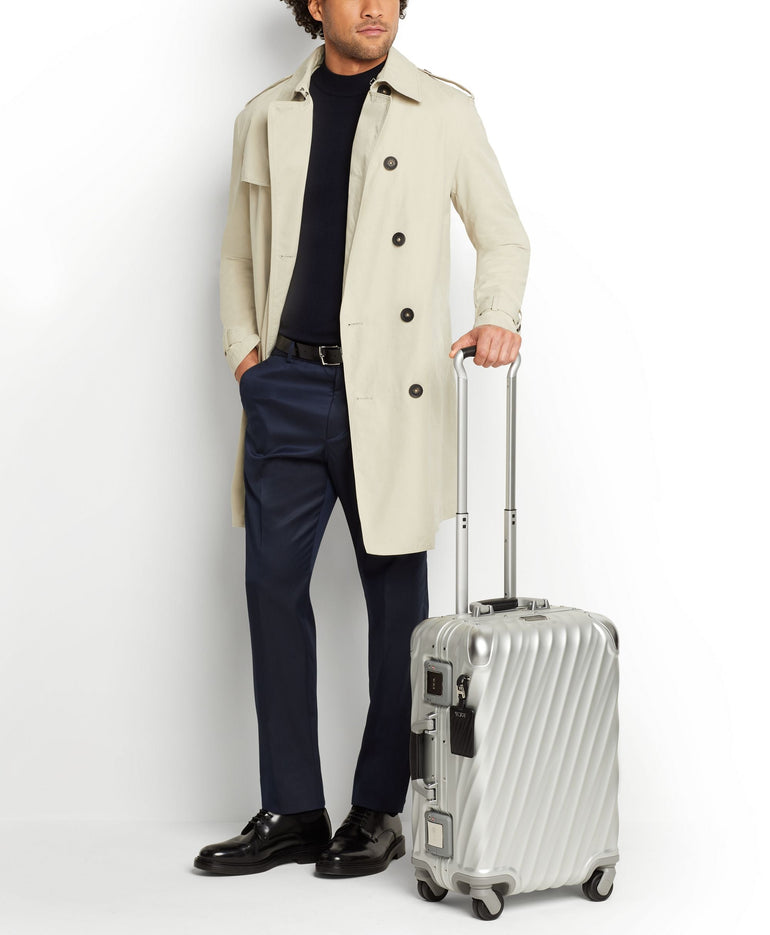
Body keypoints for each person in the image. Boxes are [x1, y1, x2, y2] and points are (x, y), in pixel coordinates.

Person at [194, 0, 530, 879]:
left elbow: (503, 235)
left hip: (392, 392)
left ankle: (378, 809)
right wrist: (247, 359)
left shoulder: (441, 109)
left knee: (394, 604)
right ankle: (294, 809)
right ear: (314, 7)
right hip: (287, 387)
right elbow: (237, 254)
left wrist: (498, 316)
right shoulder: (267, 113)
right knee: (271, 590)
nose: (376, 7)